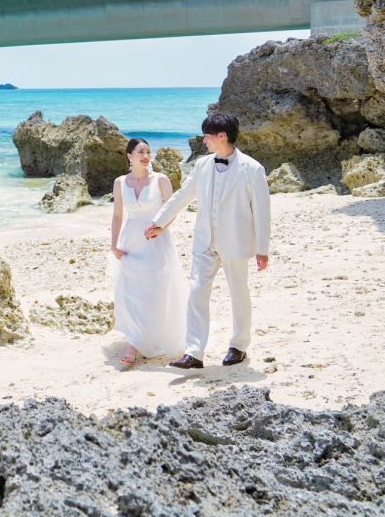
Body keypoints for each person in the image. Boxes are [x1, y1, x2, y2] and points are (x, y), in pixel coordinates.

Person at [146, 113, 270, 369]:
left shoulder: (252, 169)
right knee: (196, 293)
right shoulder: (202, 165)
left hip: (236, 242)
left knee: (239, 294)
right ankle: (194, 353)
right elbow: (183, 195)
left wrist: (262, 250)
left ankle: (238, 346)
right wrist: (159, 221)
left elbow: (262, 212)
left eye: (208, 136)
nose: (204, 141)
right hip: (204, 242)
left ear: (222, 136)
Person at [109, 138, 186, 367]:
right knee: (132, 291)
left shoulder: (160, 180)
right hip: (131, 240)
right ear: (129, 156)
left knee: (156, 289)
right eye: (140, 151)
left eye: (148, 152)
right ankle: (133, 342)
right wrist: (114, 244)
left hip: (155, 240)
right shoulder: (120, 182)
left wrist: (160, 228)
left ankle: (148, 338)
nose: (145, 156)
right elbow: (117, 216)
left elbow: (172, 211)